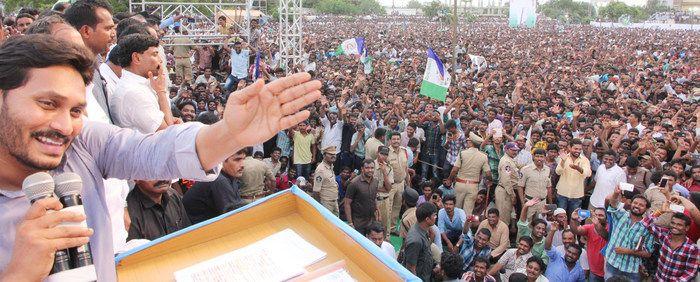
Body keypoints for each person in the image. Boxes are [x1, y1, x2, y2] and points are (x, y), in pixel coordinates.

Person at [0, 34, 320, 281]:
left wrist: (231, 133)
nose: (63, 126)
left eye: (75, 110)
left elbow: (156, 151)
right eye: (46, 104)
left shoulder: (83, 143)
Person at [111, 34, 175, 133]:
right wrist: (161, 92)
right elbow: (168, 133)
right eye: (154, 54)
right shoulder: (134, 92)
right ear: (136, 58)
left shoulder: (138, 86)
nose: (160, 60)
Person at [604, 186, 654, 281]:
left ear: (646, 209)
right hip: (612, 263)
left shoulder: (648, 227)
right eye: (635, 203)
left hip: (631, 270)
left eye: (641, 205)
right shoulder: (621, 215)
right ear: (631, 203)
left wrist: (627, 251)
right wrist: (616, 193)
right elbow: (613, 204)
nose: (637, 206)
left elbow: (648, 253)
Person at [182, 149, 246, 224]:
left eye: (243, 159)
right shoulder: (219, 180)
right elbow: (234, 216)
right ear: (222, 161)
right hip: (197, 230)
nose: (242, 165)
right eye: (237, 160)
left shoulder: (229, 177)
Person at [641, 201, 699, 281]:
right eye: (673, 223)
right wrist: (661, 211)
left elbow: (690, 272)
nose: (675, 226)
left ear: (687, 228)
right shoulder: (665, 236)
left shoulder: (692, 248)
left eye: (679, 225)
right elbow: (645, 223)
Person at [126, 180, 191, 240]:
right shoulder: (128, 213)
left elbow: (188, 234)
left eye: (165, 171)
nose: (162, 177)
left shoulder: (173, 195)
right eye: (153, 172)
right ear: (136, 178)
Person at [448, 132, 491, 215]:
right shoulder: (483, 156)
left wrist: (450, 179)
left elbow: (454, 170)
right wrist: (490, 180)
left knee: (456, 209)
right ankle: (465, 227)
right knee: (468, 212)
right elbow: (488, 173)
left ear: (471, 143)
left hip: (460, 183)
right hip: (473, 186)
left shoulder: (462, 153)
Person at [569, 208, 608, 282]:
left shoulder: (610, 228)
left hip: (608, 271)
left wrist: (597, 224)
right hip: (594, 271)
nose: (597, 217)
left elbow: (605, 235)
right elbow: (575, 230)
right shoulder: (590, 227)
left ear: (606, 218)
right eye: (595, 215)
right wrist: (573, 219)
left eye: (601, 215)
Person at [555, 138, 591, 215]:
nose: (578, 151)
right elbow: (558, 172)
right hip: (562, 193)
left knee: (574, 217)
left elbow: (588, 173)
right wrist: (563, 161)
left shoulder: (585, 160)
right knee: (560, 216)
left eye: (580, 149)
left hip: (576, 195)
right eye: (575, 149)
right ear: (569, 148)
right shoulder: (563, 157)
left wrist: (578, 168)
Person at [403, 202, 437, 281]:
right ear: (427, 219)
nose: (436, 217)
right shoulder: (415, 240)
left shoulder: (421, 228)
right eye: (434, 215)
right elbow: (411, 268)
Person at [345, 160, 380, 234]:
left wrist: (378, 212)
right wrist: (350, 223)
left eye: (372, 168)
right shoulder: (354, 183)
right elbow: (347, 203)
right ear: (362, 169)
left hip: (371, 221)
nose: (370, 170)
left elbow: (374, 198)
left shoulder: (375, 182)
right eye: (367, 168)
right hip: (358, 222)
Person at [518, 149, 552, 220]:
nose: (539, 159)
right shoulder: (525, 169)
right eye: (537, 156)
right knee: (528, 224)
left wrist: (550, 202)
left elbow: (548, 187)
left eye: (541, 156)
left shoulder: (548, 169)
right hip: (530, 202)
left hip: (543, 203)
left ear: (545, 158)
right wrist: (522, 203)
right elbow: (520, 186)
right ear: (533, 157)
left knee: (541, 224)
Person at [388, 133, 410, 234]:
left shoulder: (404, 151)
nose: (396, 141)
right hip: (390, 185)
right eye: (394, 139)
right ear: (390, 141)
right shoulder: (386, 152)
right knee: (388, 208)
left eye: (398, 139)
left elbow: (406, 168)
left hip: (401, 183)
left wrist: (408, 183)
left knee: (397, 207)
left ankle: (392, 228)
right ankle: (385, 230)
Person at [517, 199, 550, 264]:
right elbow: (522, 222)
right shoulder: (526, 232)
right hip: (518, 260)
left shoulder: (545, 242)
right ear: (532, 227)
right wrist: (525, 206)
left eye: (543, 229)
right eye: (538, 228)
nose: (541, 231)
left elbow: (545, 260)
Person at [496, 142, 521, 225]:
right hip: (505, 191)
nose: (515, 152)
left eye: (516, 150)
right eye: (512, 150)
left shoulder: (511, 160)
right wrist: (512, 194)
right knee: (503, 219)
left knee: (508, 217)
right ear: (506, 150)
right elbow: (506, 180)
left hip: (508, 190)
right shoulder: (506, 161)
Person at [314, 146, 341, 216]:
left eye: (334, 154)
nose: (333, 156)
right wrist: (319, 206)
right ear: (324, 155)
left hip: (334, 201)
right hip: (325, 203)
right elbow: (316, 190)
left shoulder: (331, 166)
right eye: (330, 154)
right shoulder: (320, 170)